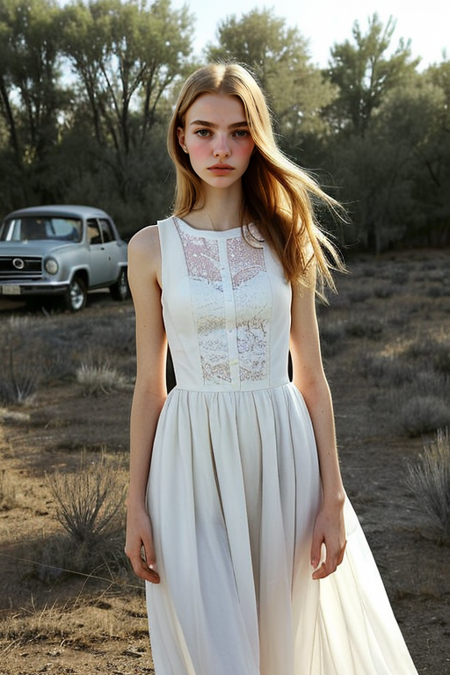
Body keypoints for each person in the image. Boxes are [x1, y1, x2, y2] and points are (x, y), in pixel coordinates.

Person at [125, 63, 418, 675]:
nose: (221, 148)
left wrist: (332, 498)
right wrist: (136, 505)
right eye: (204, 131)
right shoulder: (150, 248)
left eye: (238, 132)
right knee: (215, 648)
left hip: (282, 455)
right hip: (188, 461)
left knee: (283, 644)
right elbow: (151, 385)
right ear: (181, 136)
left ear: (256, 138)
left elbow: (311, 374)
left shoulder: (287, 236)